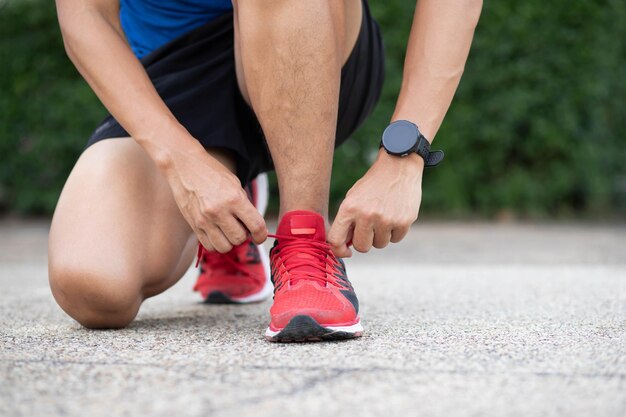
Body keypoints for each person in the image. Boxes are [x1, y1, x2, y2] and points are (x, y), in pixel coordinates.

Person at [49, 0, 482, 342]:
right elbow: (85, 15)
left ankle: (305, 245)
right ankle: (237, 193)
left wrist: (404, 157)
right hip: (174, 73)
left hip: (315, 32)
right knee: (92, 286)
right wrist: (181, 162)